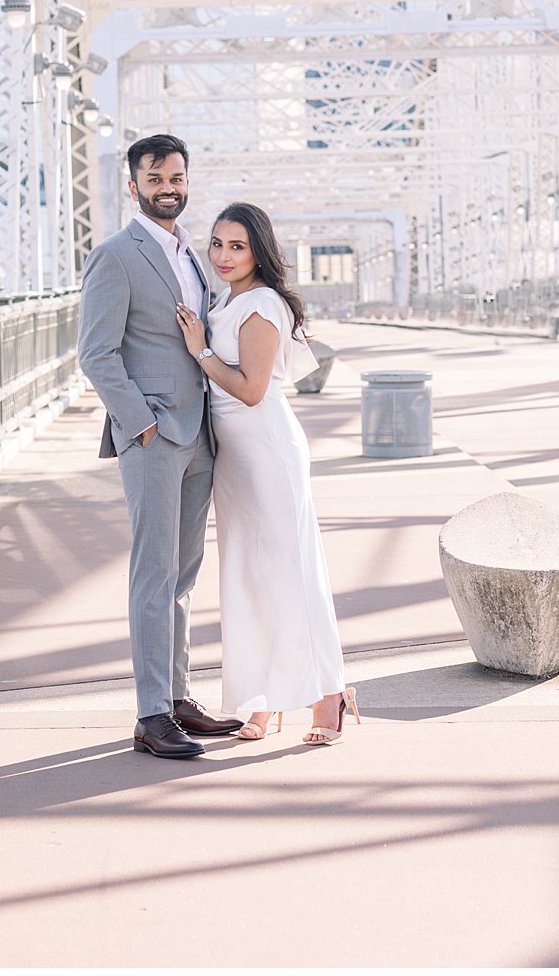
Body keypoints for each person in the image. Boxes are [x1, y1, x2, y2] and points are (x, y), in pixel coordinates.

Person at [77, 135, 245, 759]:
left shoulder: (193, 257)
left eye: (176, 176)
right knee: (153, 575)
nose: (168, 186)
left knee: (182, 577)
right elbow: (95, 353)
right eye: (155, 178)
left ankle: (177, 697)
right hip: (153, 437)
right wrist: (139, 422)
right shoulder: (116, 256)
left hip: (199, 433)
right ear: (133, 185)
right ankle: (151, 714)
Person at [176, 202, 358, 746]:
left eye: (238, 246)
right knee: (248, 578)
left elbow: (253, 389)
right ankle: (263, 698)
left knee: (291, 575)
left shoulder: (260, 304)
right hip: (236, 458)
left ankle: (329, 696)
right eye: (217, 244)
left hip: (267, 452)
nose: (223, 255)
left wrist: (201, 351)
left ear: (259, 251)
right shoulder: (224, 299)